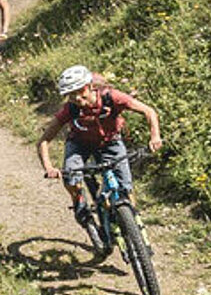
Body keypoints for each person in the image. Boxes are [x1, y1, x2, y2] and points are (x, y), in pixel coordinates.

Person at [37, 65, 163, 250]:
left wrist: (155, 136)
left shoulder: (111, 97)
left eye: (80, 92)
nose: (78, 99)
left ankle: (133, 226)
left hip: (110, 141)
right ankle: (80, 205)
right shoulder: (70, 109)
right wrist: (49, 167)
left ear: (90, 86)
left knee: (126, 188)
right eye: (71, 95)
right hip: (79, 144)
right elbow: (44, 140)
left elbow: (149, 111)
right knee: (71, 177)